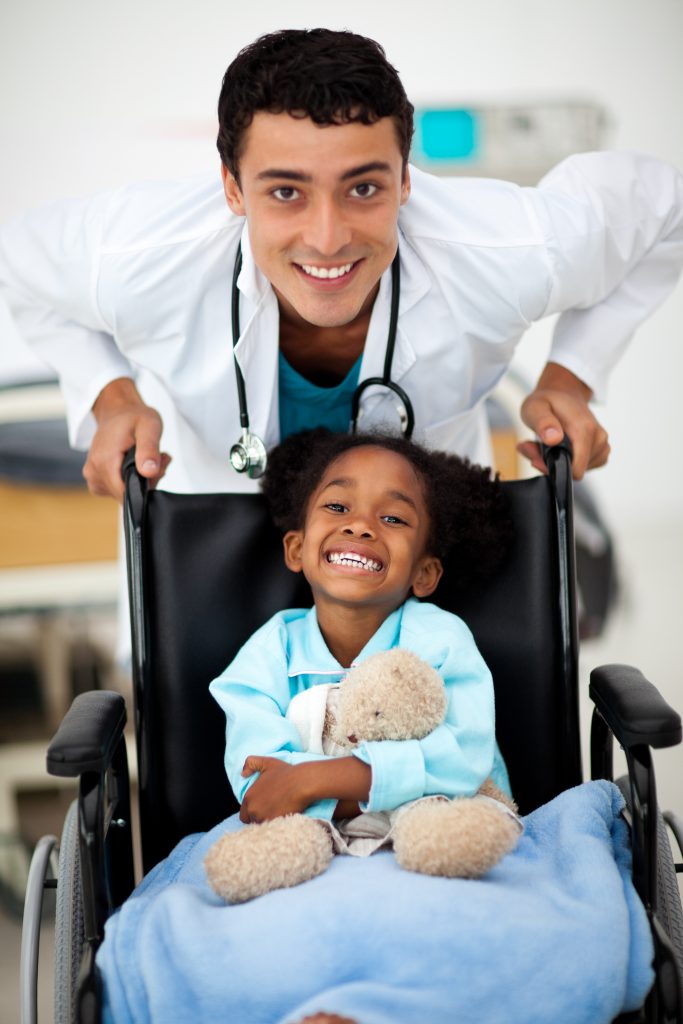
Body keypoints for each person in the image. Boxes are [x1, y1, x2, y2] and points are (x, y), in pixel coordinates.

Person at [1, 28, 683, 500]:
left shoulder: (509, 251)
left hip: (429, 547)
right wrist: (109, 395)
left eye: (362, 188)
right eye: (285, 192)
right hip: (211, 543)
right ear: (232, 189)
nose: (327, 239)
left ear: (406, 180)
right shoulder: (138, 257)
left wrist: (572, 378)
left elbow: (664, 206)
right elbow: (19, 264)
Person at [209, 428, 514, 825]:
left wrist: (312, 782)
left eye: (392, 517)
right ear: (296, 549)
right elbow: (263, 792)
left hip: (440, 839)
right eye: (337, 507)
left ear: (424, 573)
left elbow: (464, 757)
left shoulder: (442, 641)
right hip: (310, 851)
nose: (360, 526)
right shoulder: (267, 653)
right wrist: (386, 791)